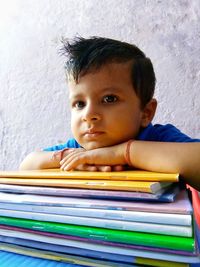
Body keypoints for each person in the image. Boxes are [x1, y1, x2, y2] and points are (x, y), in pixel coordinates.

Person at [19, 36, 200, 191]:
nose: (89, 114)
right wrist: (64, 157)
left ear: (146, 112)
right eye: (79, 103)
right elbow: (26, 166)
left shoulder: (158, 138)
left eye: (109, 99)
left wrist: (125, 153)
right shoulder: (79, 149)